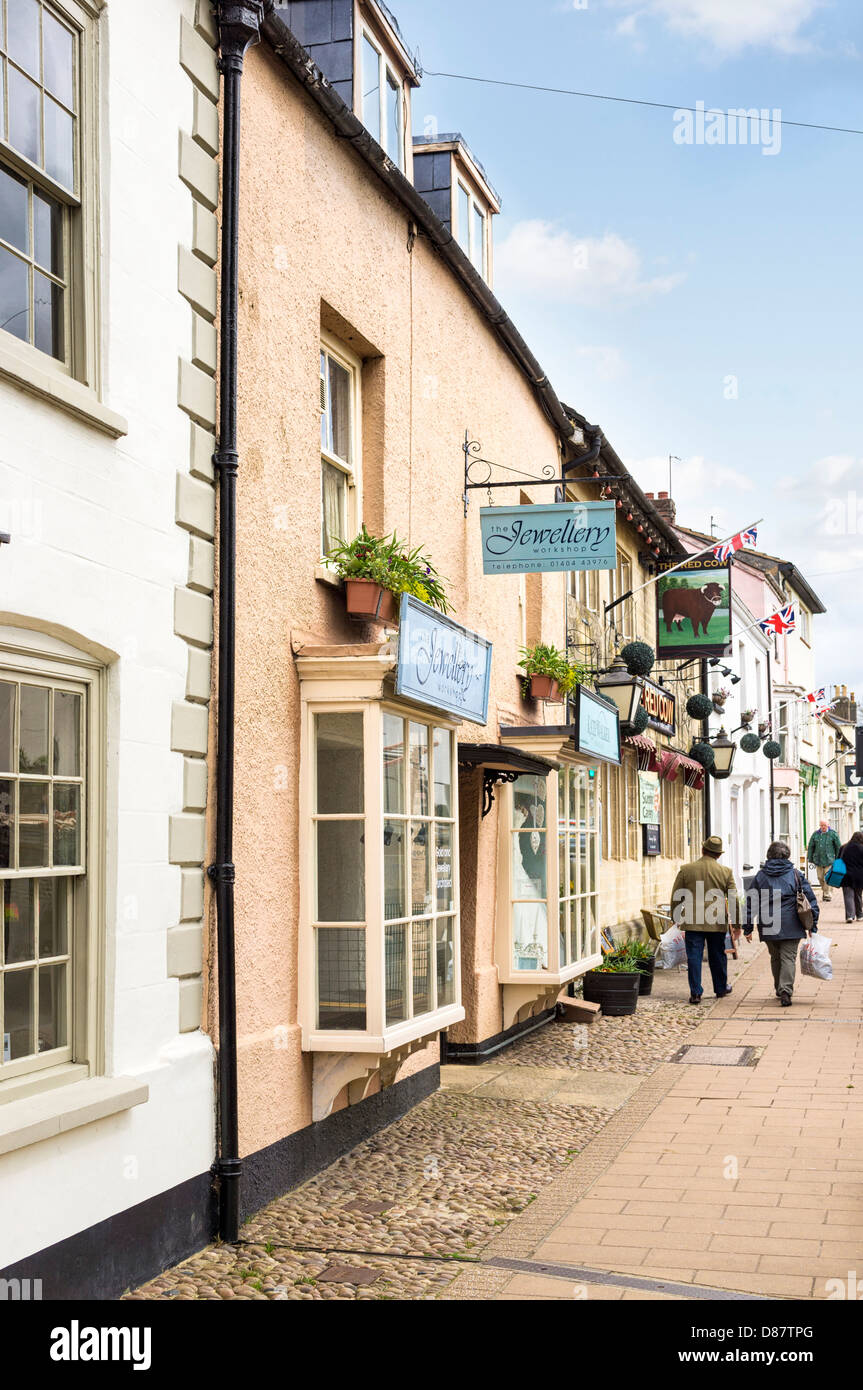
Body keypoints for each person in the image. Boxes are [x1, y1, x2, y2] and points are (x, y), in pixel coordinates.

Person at [744, 840, 819, 1007]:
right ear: (787, 855)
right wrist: (812, 925)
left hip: (768, 922)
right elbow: (811, 900)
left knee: (775, 956)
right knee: (788, 957)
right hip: (791, 922)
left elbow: (751, 902)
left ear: (769, 855)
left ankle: (780, 988)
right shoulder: (795, 874)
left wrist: (747, 927)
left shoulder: (761, 876)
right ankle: (785, 990)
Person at [671, 835, 740, 1005]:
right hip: (716, 921)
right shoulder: (726, 872)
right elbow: (733, 899)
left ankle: (695, 992)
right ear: (718, 855)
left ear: (703, 850)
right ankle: (720, 988)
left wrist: (676, 916)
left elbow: (676, 896)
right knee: (718, 955)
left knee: (694, 957)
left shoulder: (686, 869)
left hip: (693, 921)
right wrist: (738, 924)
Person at [807, 819, 842, 902]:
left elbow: (838, 847)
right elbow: (811, 846)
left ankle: (827, 895)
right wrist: (810, 858)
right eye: (821, 825)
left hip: (830, 860)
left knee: (828, 877)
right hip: (818, 860)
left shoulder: (833, 834)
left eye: (824, 825)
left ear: (828, 825)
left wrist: (838, 859)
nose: (823, 827)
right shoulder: (815, 834)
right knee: (820, 878)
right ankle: (825, 891)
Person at [838, 830, 863, 922]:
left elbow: (838, 860)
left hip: (846, 875)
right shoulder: (862, 848)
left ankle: (849, 916)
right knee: (858, 895)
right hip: (859, 876)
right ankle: (860, 915)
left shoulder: (844, 847)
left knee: (848, 896)